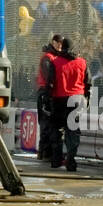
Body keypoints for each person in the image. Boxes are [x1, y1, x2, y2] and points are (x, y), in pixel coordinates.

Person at [48, 37, 91, 172]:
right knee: (73, 132)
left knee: (56, 130)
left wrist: (47, 100)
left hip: (59, 99)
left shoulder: (55, 63)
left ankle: (56, 160)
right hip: (77, 99)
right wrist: (86, 100)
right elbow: (89, 84)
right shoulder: (82, 63)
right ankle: (71, 160)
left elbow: (50, 83)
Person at [35, 34, 63, 164]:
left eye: (62, 44)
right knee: (46, 124)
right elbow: (48, 77)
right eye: (58, 43)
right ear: (53, 42)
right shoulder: (48, 57)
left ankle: (46, 152)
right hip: (45, 93)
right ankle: (44, 152)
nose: (60, 46)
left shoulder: (54, 57)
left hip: (50, 93)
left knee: (50, 124)